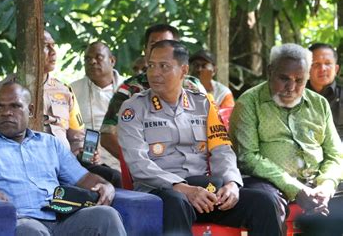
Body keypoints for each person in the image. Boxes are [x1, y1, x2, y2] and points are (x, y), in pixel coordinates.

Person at [118, 40, 281, 235]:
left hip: (204, 191)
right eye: (151, 65)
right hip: (162, 193)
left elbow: (222, 150)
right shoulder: (133, 108)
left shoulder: (203, 104)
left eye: (164, 66)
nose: (154, 73)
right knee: (175, 202)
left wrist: (231, 183)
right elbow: (138, 164)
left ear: (183, 70)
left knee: (263, 202)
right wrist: (184, 189)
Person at [0, 82, 126, 236]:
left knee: (106, 216)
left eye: (15, 106)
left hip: (62, 218)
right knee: (31, 231)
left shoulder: (50, 144)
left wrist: (106, 185)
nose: (6, 112)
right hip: (19, 222)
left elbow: (83, 179)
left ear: (30, 110)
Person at [0, 31, 122, 187]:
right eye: (46, 46)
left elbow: (77, 138)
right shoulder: (1, 91)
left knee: (113, 178)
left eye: (53, 46)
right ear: (27, 51)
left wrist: (85, 154)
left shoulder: (64, 91)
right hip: (18, 165)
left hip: (64, 166)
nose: (53, 51)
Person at [230, 43, 343, 236]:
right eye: (284, 78)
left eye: (299, 80)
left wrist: (326, 186)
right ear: (270, 71)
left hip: (317, 181)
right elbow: (248, 157)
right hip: (269, 182)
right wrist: (296, 189)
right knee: (265, 202)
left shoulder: (319, 104)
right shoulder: (249, 103)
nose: (291, 87)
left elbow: (335, 154)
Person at [100, 23, 204, 161]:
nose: (160, 50)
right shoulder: (131, 89)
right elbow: (107, 136)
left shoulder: (192, 86)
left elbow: (213, 131)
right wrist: (138, 165)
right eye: (154, 45)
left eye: (166, 44)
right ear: (145, 51)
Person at [71, 42, 124, 170]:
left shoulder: (130, 90)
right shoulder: (72, 90)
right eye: (87, 59)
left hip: (123, 160)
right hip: (89, 162)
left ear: (112, 61)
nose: (92, 62)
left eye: (98, 57)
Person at [307, 43, 343, 139]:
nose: (322, 69)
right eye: (316, 64)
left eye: (327, 63)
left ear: (336, 69)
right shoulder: (295, 95)